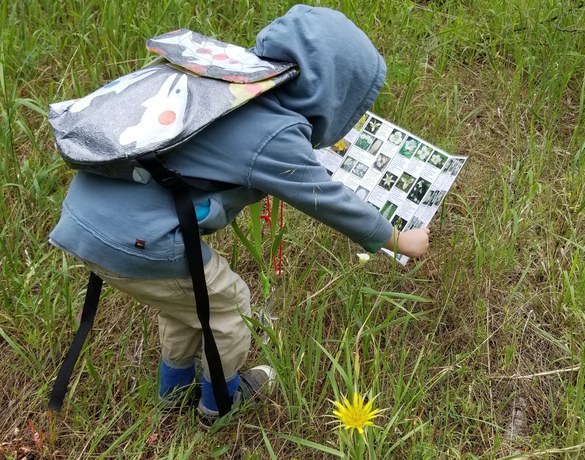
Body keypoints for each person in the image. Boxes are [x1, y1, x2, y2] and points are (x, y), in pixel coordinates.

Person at [49, 4, 430, 425]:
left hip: (88, 217)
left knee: (189, 303)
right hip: (138, 240)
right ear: (332, 95)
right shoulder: (274, 132)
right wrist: (395, 238)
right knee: (230, 308)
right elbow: (326, 199)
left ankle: (172, 392)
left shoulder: (221, 83)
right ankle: (219, 405)